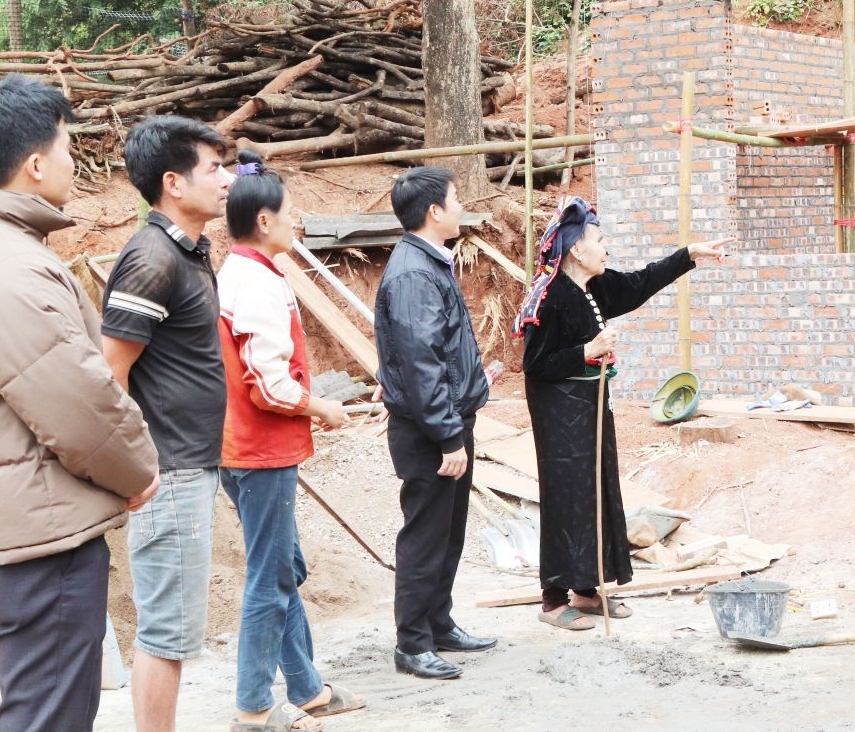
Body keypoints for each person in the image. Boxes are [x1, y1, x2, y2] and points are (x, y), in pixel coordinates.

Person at [0, 74, 159, 732]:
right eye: (65, 146)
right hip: (40, 533)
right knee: (50, 713)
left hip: (16, 519)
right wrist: (137, 471)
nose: (72, 160)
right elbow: (78, 405)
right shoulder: (6, 268)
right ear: (34, 164)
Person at [515, 197, 729, 630]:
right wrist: (587, 350)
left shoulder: (593, 287)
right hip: (559, 417)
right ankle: (554, 599)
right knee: (567, 497)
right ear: (577, 249)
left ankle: (586, 589)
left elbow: (638, 283)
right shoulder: (550, 296)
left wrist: (687, 255)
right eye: (599, 239)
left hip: (591, 408)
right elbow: (535, 366)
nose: (606, 247)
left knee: (595, 492)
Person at [217, 150, 366, 731]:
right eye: (289, 212)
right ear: (263, 221)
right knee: (270, 576)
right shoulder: (255, 283)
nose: (295, 221)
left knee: (282, 566)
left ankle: (305, 687)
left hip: (246, 447)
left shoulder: (241, 273)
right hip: (260, 449)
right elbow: (268, 384)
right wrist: (321, 406)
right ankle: (253, 705)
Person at [101, 116, 233, 732]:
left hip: (188, 464)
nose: (227, 180)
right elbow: (110, 374)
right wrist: (135, 468)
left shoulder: (186, 250)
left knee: (172, 631)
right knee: (166, 634)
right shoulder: (153, 258)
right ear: (174, 183)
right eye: (215, 168)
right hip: (168, 472)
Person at [374, 167, 497, 679]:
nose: (462, 206)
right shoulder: (414, 275)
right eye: (456, 198)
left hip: (447, 420)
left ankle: (438, 623)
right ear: (434, 211)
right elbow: (422, 362)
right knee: (426, 534)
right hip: (429, 431)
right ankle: (412, 642)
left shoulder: (428, 262)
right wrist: (447, 435)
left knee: (448, 532)